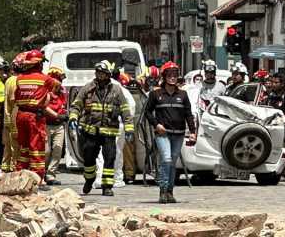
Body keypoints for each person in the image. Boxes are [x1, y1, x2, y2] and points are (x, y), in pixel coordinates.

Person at [69, 60, 133, 196]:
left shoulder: (116, 90)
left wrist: (129, 128)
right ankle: (89, 179)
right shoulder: (88, 88)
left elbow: (125, 110)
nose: (100, 75)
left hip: (109, 132)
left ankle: (107, 186)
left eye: (102, 73)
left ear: (108, 74)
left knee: (110, 159)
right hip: (91, 131)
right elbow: (77, 104)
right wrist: (73, 117)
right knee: (89, 158)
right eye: (98, 72)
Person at [144, 61, 196, 203]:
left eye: (175, 75)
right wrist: (156, 124)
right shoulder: (156, 94)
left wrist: (193, 132)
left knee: (172, 162)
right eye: (170, 75)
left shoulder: (183, 95)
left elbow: (188, 114)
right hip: (163, 134)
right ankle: (163, 189)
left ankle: (170, 192)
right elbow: (147, 112)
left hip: (178, 134)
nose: (173, 77)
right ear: (164, 76)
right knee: (166, 159)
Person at [14, 49, 60, 182]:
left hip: (21, 115)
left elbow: (16, 97)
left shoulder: (20, 79)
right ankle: (37, 178)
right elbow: (57, 86)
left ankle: (20, 175)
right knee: (37, 148)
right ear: (38, 64)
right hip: (35, 117)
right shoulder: (45, 79)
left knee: (24, 147)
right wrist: (49, 95)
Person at [44, 67, 69, 186]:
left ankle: (50, 175)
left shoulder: (63, 92)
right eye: (59, 80)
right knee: (46, 151)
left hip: (59, 125)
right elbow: (44, 107)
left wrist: (65, 114)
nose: (61, 83)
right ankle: (42, 172)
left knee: (57, 150)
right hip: (46, 124)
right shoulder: (45, 92)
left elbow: (63, 106)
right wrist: (57, 115)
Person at [0, 59, 20, 172]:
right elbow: (14, 100)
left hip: (7, 117)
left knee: (7, 145)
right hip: (14, 117)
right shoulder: (16, 80)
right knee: (15, 146)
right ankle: (14, 168)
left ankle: (5, 166)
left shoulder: (8, 80)